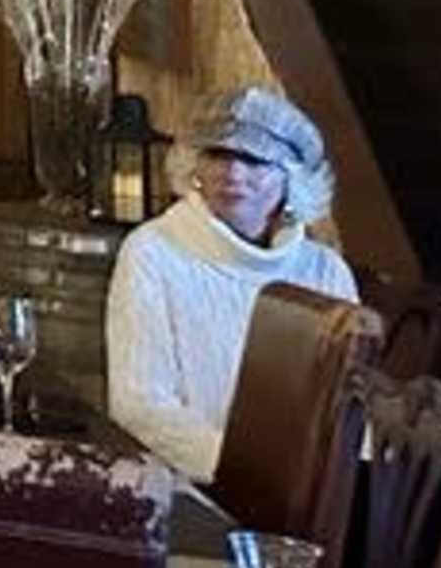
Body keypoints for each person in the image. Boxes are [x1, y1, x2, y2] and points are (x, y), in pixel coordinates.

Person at [106, 83, 360, 481]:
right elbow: (139, 402)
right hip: (189, 487)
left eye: (254, 160)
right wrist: (240, 467)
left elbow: (345, 409)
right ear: (193, 167)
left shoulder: (325, 271)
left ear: (290, 181)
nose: (232, 173)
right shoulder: (152, 252)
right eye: (217, 155)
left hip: (305, 491)